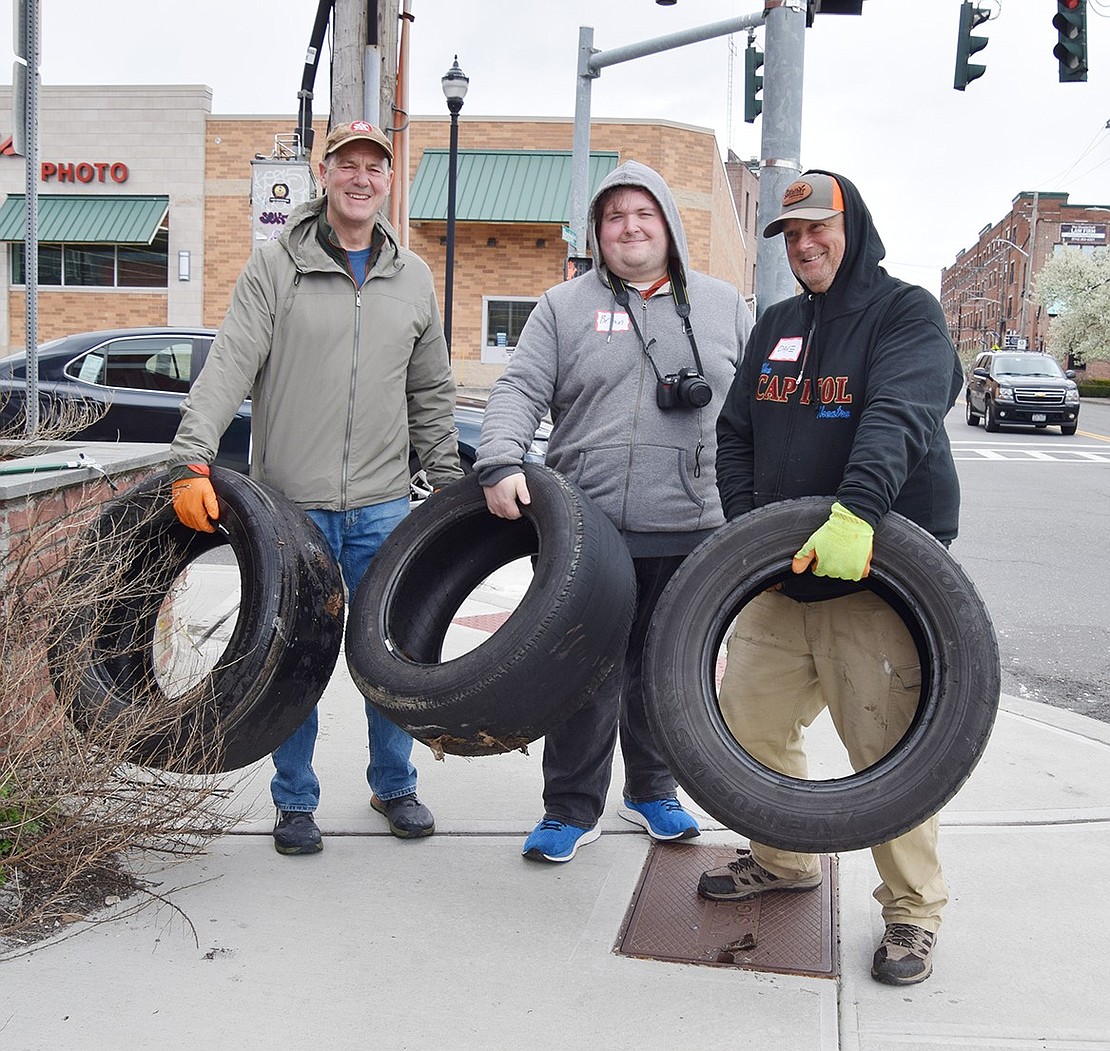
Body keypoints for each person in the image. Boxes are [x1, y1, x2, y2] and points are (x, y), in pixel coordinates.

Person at [168, 120, 462, 856]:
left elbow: (431, 394)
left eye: (375, 166)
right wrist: (189, 456)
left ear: (389, 180)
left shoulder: (413, 278)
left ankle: (393, 784)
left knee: (391, 653)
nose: (361, 177)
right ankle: (294, 799)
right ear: (322, 173)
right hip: (289, 510)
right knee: (292, 658)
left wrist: (454, 488)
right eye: (347, 164)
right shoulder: (275, 267)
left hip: (383, 505)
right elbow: (229, 364)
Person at [701, 170, 964, 986]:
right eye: (793, 235)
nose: (806, 244)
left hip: (877, 578)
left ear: (853, 229)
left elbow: (902, 412)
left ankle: (911, 912)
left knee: (887, 749)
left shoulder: (904, 313)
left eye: (821, 228)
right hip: (782, 577)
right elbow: (736, 429)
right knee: (747, 719)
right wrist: (752, 532)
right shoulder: (777, 324)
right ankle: (784, 860)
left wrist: (856, 512)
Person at [475, 160, 754, 863]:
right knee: (584, 673)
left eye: (644, 214)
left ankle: (653, 790)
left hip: (695, 525)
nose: (630, 227)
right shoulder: (563, 306)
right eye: (614, 216)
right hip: (587, 529)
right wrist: (502, 459)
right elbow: (517, 390)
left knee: (666, 669)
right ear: (599, 232)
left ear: (667, 224)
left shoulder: (725, 306)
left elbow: (758, 416)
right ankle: (570, 806)